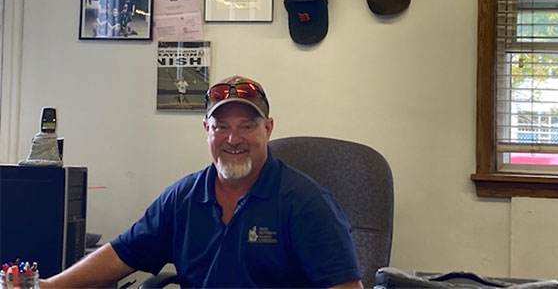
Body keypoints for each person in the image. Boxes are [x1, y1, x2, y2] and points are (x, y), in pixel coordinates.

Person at [39, 76, 363, 288]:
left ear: (268, 129)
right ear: (206, 130)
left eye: (247, 126)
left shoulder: (306, 202)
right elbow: (122, 254)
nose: (232, 139)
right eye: (221, 127)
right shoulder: (183, 198)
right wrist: (47, 286)